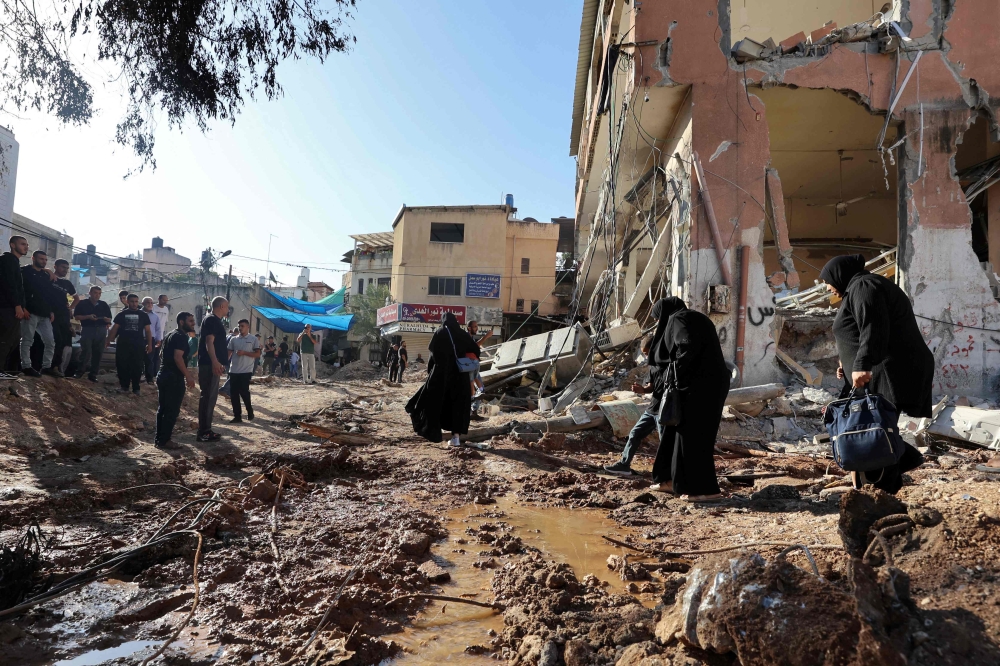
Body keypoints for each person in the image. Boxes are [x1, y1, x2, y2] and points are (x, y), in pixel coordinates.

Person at [820, 255, 932, 493]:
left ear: (839, 274)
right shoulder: (858, 288)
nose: (827, 287)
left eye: (827, 280)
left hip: (887, 370)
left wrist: (862, 363)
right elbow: (857, 332)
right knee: (872, 427)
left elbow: (874, 326)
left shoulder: (864, 286)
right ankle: (899, 464)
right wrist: (848, 363)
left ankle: (881, 492)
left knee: (874, 430)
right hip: (878, 369)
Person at [647, 297, 730, 502]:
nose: (659, 324)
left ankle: (705, 490)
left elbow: (687, 346)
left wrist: (674, 373)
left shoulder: (678, 319)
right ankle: (670, 481)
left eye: (658, 319)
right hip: (703, 384)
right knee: (675, 433)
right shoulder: (694, 318)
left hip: (700, 387)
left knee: (693, 437)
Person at [405, 312, 476, 447]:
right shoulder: (462, 334)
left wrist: (432, 371)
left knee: (435, 401)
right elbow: (474, 350)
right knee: (457, 405)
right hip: (461, 375)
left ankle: (432, 431)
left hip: (441, 374)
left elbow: (433, 355)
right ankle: (456, 438)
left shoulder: (440, 333)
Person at [604, 334, 658, 476]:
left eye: (647, 353)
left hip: (666, 410)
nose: (646, 357)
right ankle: (624, 465)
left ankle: (670, 474)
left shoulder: (669, 365)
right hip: (653, 409)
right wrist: (643, 389)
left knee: (667, 443)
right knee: (635, 433)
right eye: (644, 354)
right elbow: (652, 387)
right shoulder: (654, 367)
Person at [20, 250, 66, 377]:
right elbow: (19, 290)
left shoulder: (46, 276)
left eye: (45, 260)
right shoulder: (24, 271)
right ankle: (26, 366)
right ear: (33, 258)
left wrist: (50, 310)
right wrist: (22, 307)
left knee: (50, 342)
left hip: (45, 314)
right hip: (30, 312)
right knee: (27, 340)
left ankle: (46, 367)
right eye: (41, 259)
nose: (44, 261)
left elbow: (48, 295)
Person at [154, 311, 197, 448]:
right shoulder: (180, 337)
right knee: (171, 411)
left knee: (163, 409)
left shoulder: (170, 334)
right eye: (190, 321)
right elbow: (178, 357)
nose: (193, 323)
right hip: (173, 378)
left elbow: (161, 354)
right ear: (181, 322)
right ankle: (165, 441)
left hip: (163, 375)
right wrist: (188, 376)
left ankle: (159, 440)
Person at [106, 293, 153, 394]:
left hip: (138, 345)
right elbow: (115, 328)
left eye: (136, 301)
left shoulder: (143, 315)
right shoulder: (121, 314)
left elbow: (148, 331)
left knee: (137, 366)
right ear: (127, 302)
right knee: (122, 365)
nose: (134, 304)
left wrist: (150, 344)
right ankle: (124, 387)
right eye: (132, 301)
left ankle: (136, 388)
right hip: (123, 344)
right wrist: (108, 340)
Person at [197, 296, 229, 442]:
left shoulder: (215, 320)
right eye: (227, 307)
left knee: (211, 397)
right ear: (221, 306)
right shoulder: (211, 319)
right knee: (208, 397)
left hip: (213, 364)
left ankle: (206, 430)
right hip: (209, 365)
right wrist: (215, 362)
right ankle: (203, 432)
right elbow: (209, 342)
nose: (228, 310)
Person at [0, 236, 28, 377]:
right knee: (5, 339)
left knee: (14, 338)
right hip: (6, 307)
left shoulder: (14, 262)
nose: (26, 247)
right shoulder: (8, 260)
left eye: (27, 244)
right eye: (22, 244)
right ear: (12, 245)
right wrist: (17, 305)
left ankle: (3, 369)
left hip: (12, 307)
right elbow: (9, 285)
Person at [73, 286, 112, 381]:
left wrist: (107, 320)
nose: (97, 295)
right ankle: (79, 372)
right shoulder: (83, 303)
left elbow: (109, 318)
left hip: (101, 330)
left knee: (98, 353)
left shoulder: (104, 304)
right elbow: (77, 317)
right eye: (95, 293)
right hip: (88, 329)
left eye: (99, 293)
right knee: (86, 352)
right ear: (90, 293)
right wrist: (88, 317)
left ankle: (93, 375)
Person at [226, 318, 260, 423]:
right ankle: (237, 416)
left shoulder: (253, 339)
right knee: (234, 393)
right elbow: (229, 353)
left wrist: (245, 353)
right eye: (239, 326)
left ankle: (249, 410)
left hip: (246, 370)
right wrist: (223, 364)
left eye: (242, 326)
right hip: (234, 370)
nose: (240, 328)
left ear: (248, 327)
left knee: (244, 392)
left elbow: (257, 354)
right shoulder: (233, 339)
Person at [51, 259, 78, 376]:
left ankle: (56, 367)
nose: (65, 270)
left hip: (63, 316)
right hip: (49, 314)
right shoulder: (49, 278)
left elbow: (77, 298)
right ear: (55, 267)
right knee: (50, 340)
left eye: (67, 268)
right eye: (63, 267)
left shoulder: (67, 283)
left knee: (61, 342)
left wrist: (70, 308)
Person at [142, 297, 164, 384]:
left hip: (151, 340)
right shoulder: (139, 313)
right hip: (139, 338)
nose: (150, 304)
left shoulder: (155, 316)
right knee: (138, 359)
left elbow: (158, 329)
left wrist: (159, 339)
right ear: (143, 303)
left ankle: (149, 379)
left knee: (149, 359)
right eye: (148, 302)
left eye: (151, 302)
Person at [467, 321, 492, 396]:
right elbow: (475, 346)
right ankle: (472, 399)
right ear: (469, 328)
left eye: (477, 326)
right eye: (475, 327)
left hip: (474, 363)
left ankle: (479, 393)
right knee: (471, 382)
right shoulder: (466, 336)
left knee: (479, 386)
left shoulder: (471, 337)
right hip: (470, 362)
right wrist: (486, 336)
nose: (477, 329)